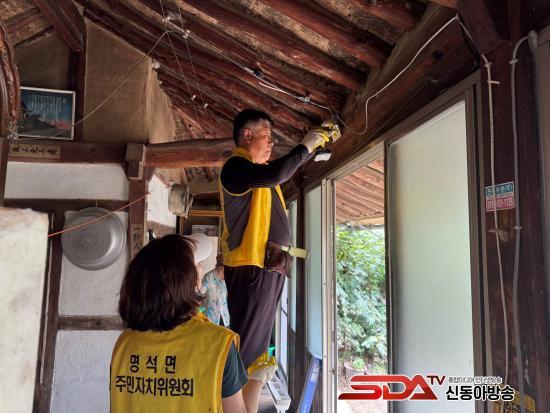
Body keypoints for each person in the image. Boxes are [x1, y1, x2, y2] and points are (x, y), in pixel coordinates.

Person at [219, 109, 328, 411]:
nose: (271, 143)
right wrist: (306, 147)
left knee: (254, 354)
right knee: (246, 351)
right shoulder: (235, 168)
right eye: (266, 136)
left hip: (267, 265)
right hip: (253, 267)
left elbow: (274, 175)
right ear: (247, 135)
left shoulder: (256, 172)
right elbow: (277, 173)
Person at [110, 234, 248, 413]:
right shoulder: (219, 344)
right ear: (188, 281)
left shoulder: (125, 342)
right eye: (196, 265)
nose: (200, 268)